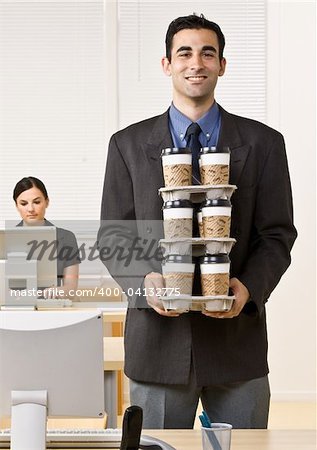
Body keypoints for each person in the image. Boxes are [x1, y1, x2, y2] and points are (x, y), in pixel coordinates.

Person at [98, 14, 297, 428]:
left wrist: (249, 288)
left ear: (222, 64)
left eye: (208, 53)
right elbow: (114, 235)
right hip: (157, 344)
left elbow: (276, 235)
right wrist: (144, 281)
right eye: (184, 52)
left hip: (236, 344)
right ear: (166, 64)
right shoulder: (128, 145)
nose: (196, 63)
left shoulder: (264, 143)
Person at [13, 176, 81, 298]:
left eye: (37, 202)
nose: (30, 209)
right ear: (17, 206)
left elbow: (71, 288)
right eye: (23, 203)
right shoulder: (6, 239)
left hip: (53, 306)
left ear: (47, 202)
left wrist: (53, 293)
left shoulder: (66, 238)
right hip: (16, 308)